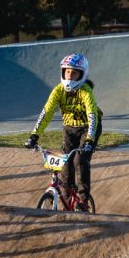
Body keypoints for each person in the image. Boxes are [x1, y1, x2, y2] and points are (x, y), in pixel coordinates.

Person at [24, 53, 103, 212]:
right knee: (65, 164)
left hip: (88, 128)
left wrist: (89, 140)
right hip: (69, 129)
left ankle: (83, 201)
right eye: (67, 71)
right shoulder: (58, 91)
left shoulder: (86, 91)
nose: (69, 75)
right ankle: (67, 203)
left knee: (80, 161)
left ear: (82, 74)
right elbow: (46, 113)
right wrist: (34, 135)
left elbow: (92, 116)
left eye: (74, 72)